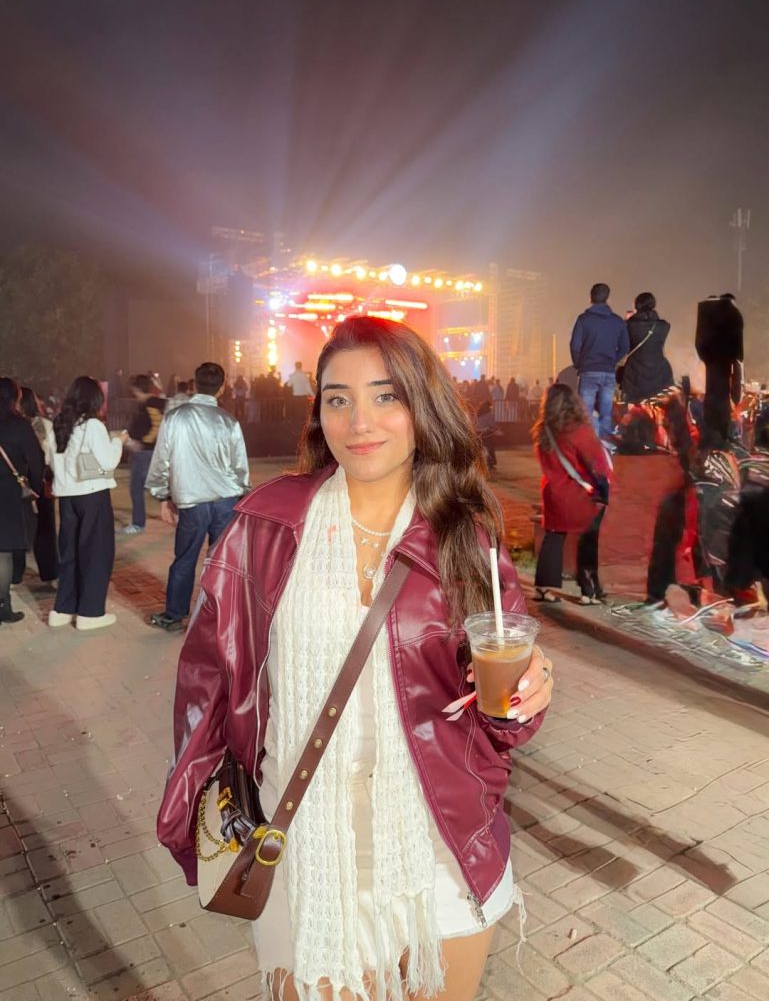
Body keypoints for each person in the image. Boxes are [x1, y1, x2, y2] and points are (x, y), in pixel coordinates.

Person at [156, 316, 554, 1001]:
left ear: (421, 407)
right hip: (300, 846)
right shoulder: (266, 523)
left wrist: (525, 693)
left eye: (385, 396)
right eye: (338, 399)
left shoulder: (463, 538)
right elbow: (206, 682)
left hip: (439, 847)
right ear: (319, 413)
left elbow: (502, 719)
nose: (360, 421)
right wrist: (186, 810)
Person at [146, 362, 251, 632]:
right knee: (222, 562)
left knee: (184, 558)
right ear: (222, 387)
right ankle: (221, 615)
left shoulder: (175, 418)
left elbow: (161, 460)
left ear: (194, 383)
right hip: (226, 500)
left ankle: (174, 615)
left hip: (192, 502)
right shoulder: (228, 421)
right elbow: (240, 467)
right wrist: (243, 494)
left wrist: (162, 495)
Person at [46, 377, 128, 630]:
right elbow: (108, 461)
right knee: (96, 553)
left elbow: (52, 461)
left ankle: (62, 610)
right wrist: (118, 441)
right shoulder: (92, 425)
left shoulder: (58, 423)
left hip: (67, 496)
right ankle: (90, 613)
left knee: (69, 552)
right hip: (92, 494)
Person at [532, 383, 612, 604]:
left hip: (553, 492)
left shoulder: (544, 431)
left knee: (553, 537)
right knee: (589, 537)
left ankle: (543, 588)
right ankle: (589, 590)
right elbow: (596, 461)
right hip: (577, 493)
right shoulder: (578, 429)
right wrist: (605, 485)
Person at [0, 377, 44, 623]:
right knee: (3, 553)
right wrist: (34, 488)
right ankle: (2, 605)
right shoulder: (19, 426)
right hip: (8, 495)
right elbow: (36, 460)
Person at [569, 283, 629, 442]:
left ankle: (588, 445)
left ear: (590, 298)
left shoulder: (583, 320)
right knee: (606, 413)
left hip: (588, 371)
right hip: (608, 372)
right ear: (608, 299)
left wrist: (579, 364)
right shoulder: (617, 321)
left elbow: (575, 345)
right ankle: (605, 446)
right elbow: (625, 346)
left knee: (586, 413)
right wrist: (613, 361)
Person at [14, 386, 58, 586]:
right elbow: (52, 454)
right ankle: (49, 572)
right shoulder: (45, 425)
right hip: (40, 478)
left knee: (23, 527)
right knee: (44, 528)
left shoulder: (13, 425)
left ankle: (16, 573)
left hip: (21, 480)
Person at [695, 293, 744, 446]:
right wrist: (738, 358)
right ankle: (721, 435)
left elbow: (699, 342)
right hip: (725, 364)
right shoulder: (733, 315)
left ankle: (710, 433)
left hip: (710, 362)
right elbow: (737, 343)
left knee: (712, 395)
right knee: (722, 397)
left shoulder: (707, 312)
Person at [123, 374, 166, 535]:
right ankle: (175, 513)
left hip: (144, 452)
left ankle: (138, 523)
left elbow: (152, 428)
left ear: (136, 389)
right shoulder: (159, 403)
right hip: (155, 451)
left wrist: (140, 442)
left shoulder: (148, 405)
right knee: (157, 487)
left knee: (137, 488)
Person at [619, 292, 675, 405]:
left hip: (634, 372)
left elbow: (625, 346)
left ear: (637, 305)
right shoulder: (664, 326)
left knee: (633, 406)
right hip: (658, 370)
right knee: (658, 405)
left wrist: (628, 320)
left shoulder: (629, 325)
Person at [476, 399, 501, 470]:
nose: (492, 408)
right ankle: (490, 463)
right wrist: (497, 429)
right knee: (490, 448)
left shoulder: (478, 413)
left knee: (479, 449)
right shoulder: (489, 414)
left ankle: (479, 464)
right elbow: (492, 425)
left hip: (477, 432)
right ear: (489, 407)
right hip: (485, 433)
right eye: (491, 406)